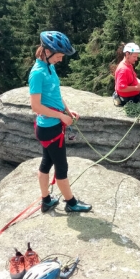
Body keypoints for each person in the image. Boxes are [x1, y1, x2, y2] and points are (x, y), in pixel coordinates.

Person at [29, 31, 92, 213]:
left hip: (50, 126)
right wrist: (61, 117)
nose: (60, 59)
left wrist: (67, 110)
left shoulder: (49, 67)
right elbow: (35, 106)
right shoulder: (37, 73)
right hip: (49, 128)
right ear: (47, 51)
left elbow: (55, 94)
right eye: (59, 56)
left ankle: (46, 200)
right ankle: (71, 204)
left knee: (46, 162)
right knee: (61, 167)